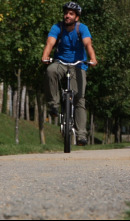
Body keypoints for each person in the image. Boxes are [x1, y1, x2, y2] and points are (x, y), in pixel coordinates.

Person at [42, 2, 97, 146]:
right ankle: (53, 105)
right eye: (66, 13)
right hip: (60, 62)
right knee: (50, 71)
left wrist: (93, 58)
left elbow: (88, 44)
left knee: (79, 99)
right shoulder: (57, 27)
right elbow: (50, 43)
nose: (67, 15)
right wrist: (45, 56)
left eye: (71, 13)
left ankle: (80, 135)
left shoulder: (82, 28)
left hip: (78, 65)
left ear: (77, 17)